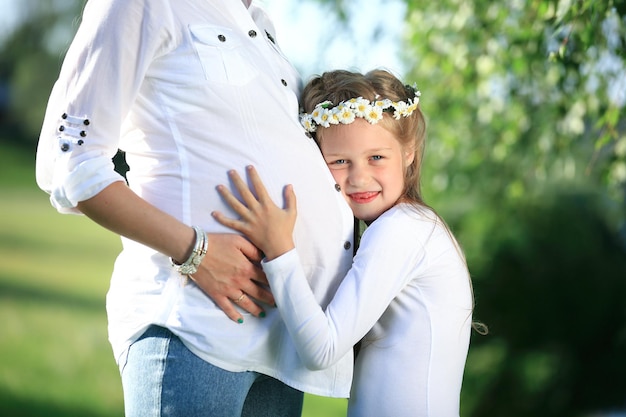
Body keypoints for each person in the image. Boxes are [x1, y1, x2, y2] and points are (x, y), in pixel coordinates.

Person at [35, 1, 356, 416]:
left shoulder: (260, 23)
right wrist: (195, 250)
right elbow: (70, 161)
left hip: (280, 343)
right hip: (194, 329)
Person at [213, 69, 485, 417]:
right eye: (340, 161)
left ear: (409, 152)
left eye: (376, 157)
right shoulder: (406, 226)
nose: (358, 177)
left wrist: (280, 249)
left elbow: (322, 351)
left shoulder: (402, 229)